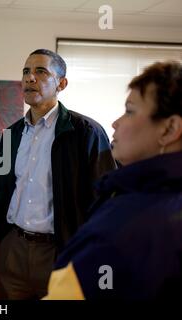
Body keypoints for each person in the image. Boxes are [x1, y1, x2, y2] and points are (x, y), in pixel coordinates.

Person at [45, 61, 182, 300]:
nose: (116, 122)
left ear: (169, 129)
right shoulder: (134, 196)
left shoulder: (138, 220)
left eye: (130, 111)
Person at [0, 49, 116, 299]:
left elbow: (105, 198)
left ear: (62, 83)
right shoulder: (11, 134)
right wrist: (4, 238)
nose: (30, 78)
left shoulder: (86, 132)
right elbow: (2, 189)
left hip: (61, 250)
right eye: (26, 71)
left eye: (40, 71)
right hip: (14, 248)